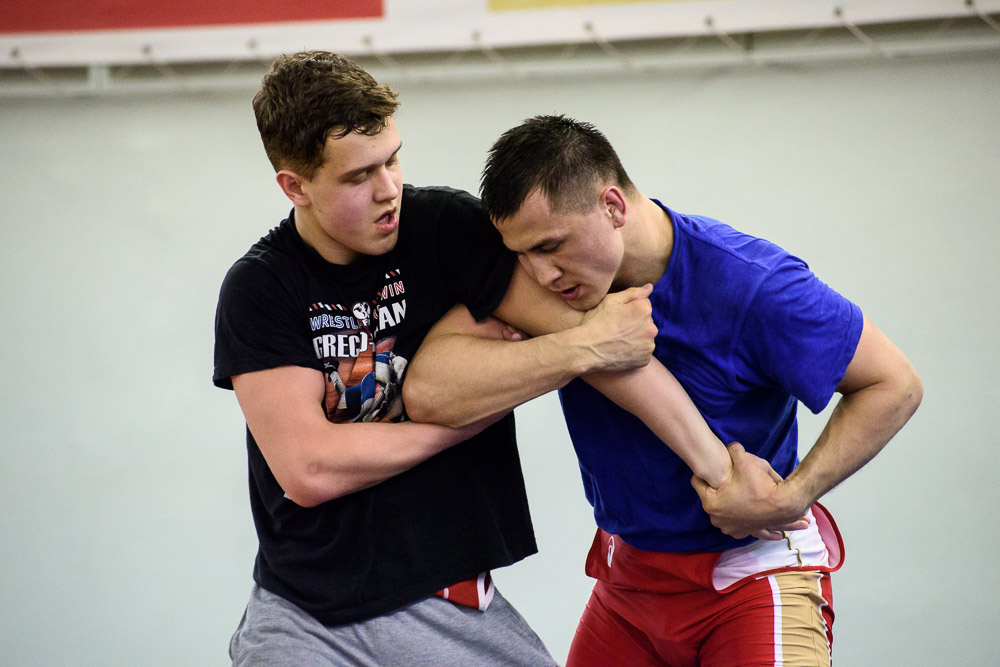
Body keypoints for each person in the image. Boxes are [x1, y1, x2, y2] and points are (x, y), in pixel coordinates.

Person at [214, 52, 755, 666]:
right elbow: (309, 471)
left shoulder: (443, 228)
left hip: (449, 604)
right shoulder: (260, 288)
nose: (388, 189)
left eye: (392, 158)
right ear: (295, 186)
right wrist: (457, 424)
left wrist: (719, 469)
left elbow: (602, 347)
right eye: (358, 177)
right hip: (303, 618)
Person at [460, 114, 920, 665]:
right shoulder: (552, 293)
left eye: (551, 245)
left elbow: (894, 384)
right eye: (522, 255)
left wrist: (795, 494)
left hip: (752, 578)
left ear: (612, 206)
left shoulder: (754, 284)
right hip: (628, 584)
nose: (541, 274)